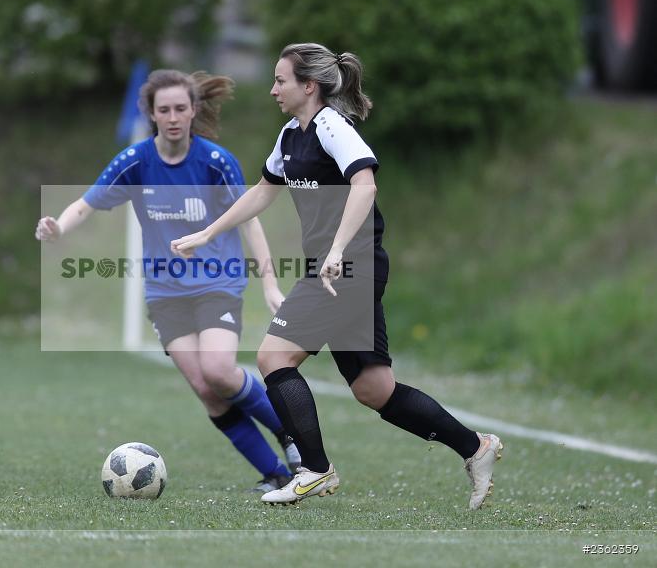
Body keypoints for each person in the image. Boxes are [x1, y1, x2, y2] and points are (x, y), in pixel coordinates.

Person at [171, 43, 503, 508]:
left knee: (272, 358)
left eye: (281, 80)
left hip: (349, 267)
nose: (273, 90)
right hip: (336, 268)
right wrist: (208, 232)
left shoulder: (332, 127)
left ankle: (315, 470)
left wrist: (338, 249)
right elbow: (264, 193)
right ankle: (476, 447)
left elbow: (365, 184)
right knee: (375, 390)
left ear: (309, 86)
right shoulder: (291, 134)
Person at [36, 69, 300, 492]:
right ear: (151, 114)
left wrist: (269, 283)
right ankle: (275, 473)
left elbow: (251, 222)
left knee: (218, 371)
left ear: (194, 110)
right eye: (164, 110)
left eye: (181, 108)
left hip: (217, 282)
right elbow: (86, 203)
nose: (173, 117)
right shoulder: (136, 161)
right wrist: (58, 227)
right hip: (165, 293)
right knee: (206, 389)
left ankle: (290, 431)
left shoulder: (215, 162)